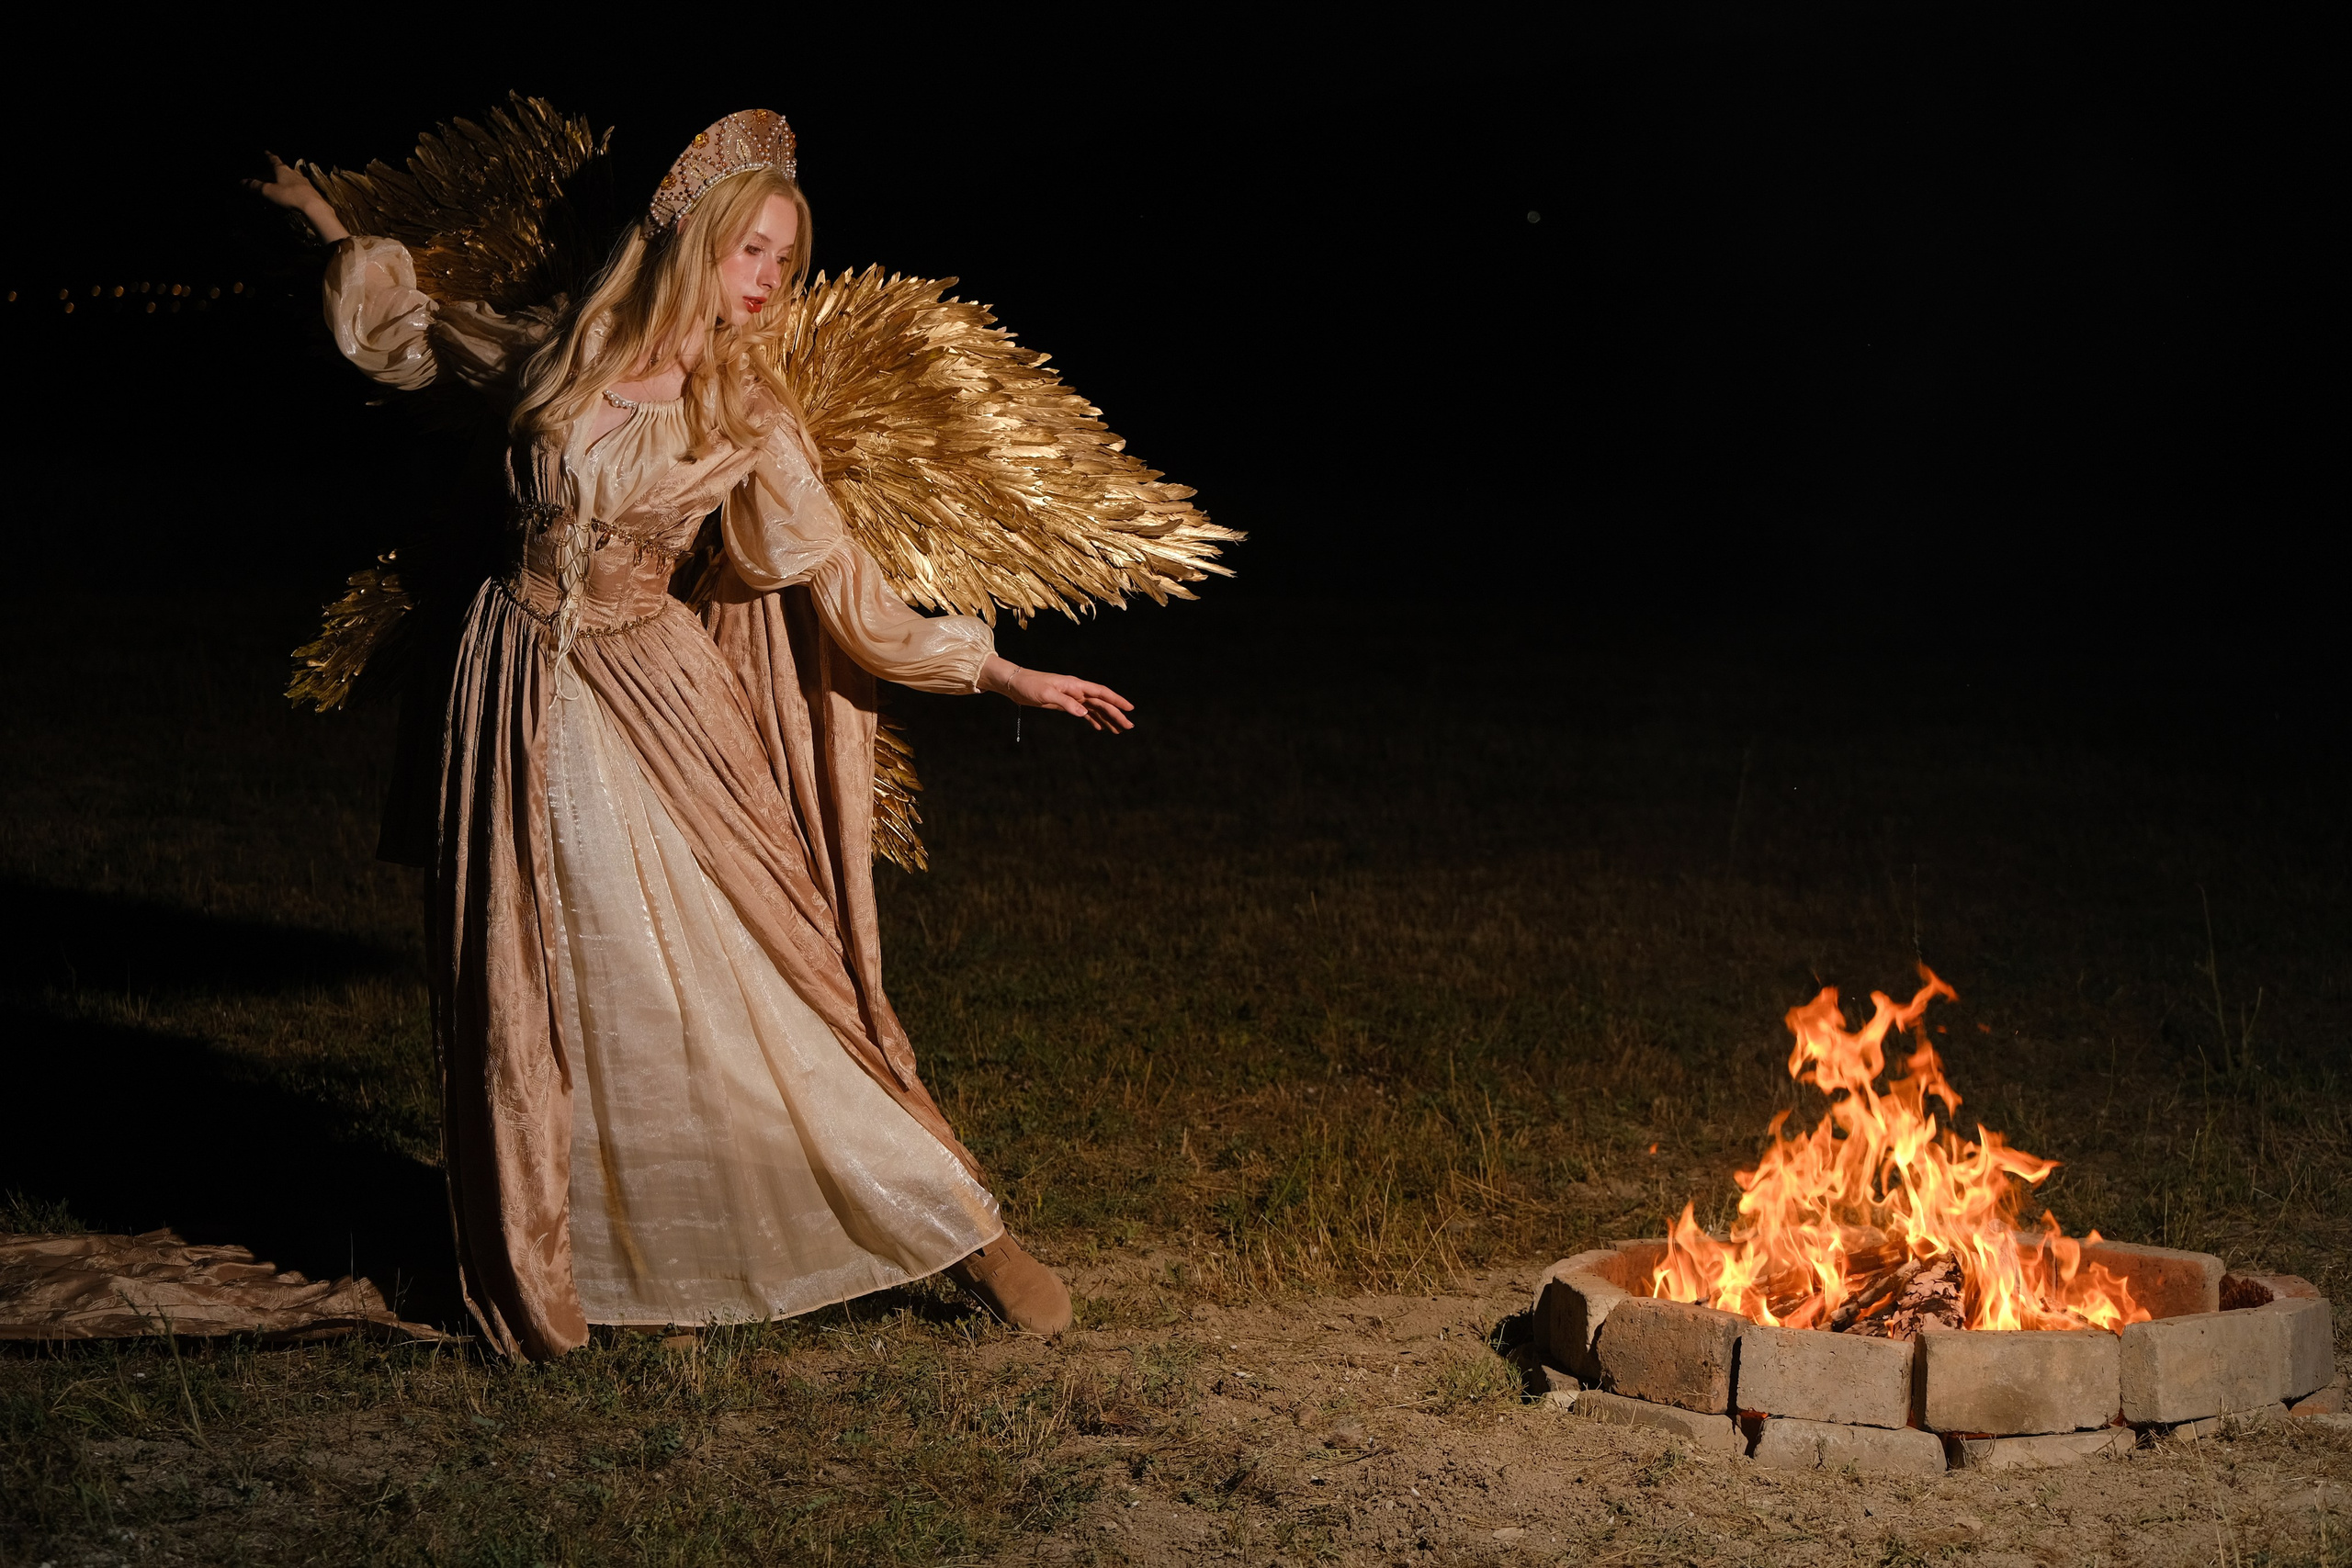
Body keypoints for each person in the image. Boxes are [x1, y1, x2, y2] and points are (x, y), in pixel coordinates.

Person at [247, 109, 1127, 1359]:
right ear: (694, 242)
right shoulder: (561, 354)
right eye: (752, 252)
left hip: (655, 692)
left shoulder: (748, 412)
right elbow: (419, 335)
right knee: (552, 979)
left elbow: (841, 583)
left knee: (755, 971)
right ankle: (590, 1255)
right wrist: (330, 228)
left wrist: (996, 669)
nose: (767, 282)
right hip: (509, 687)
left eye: (786, 260)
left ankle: (956, 1225)